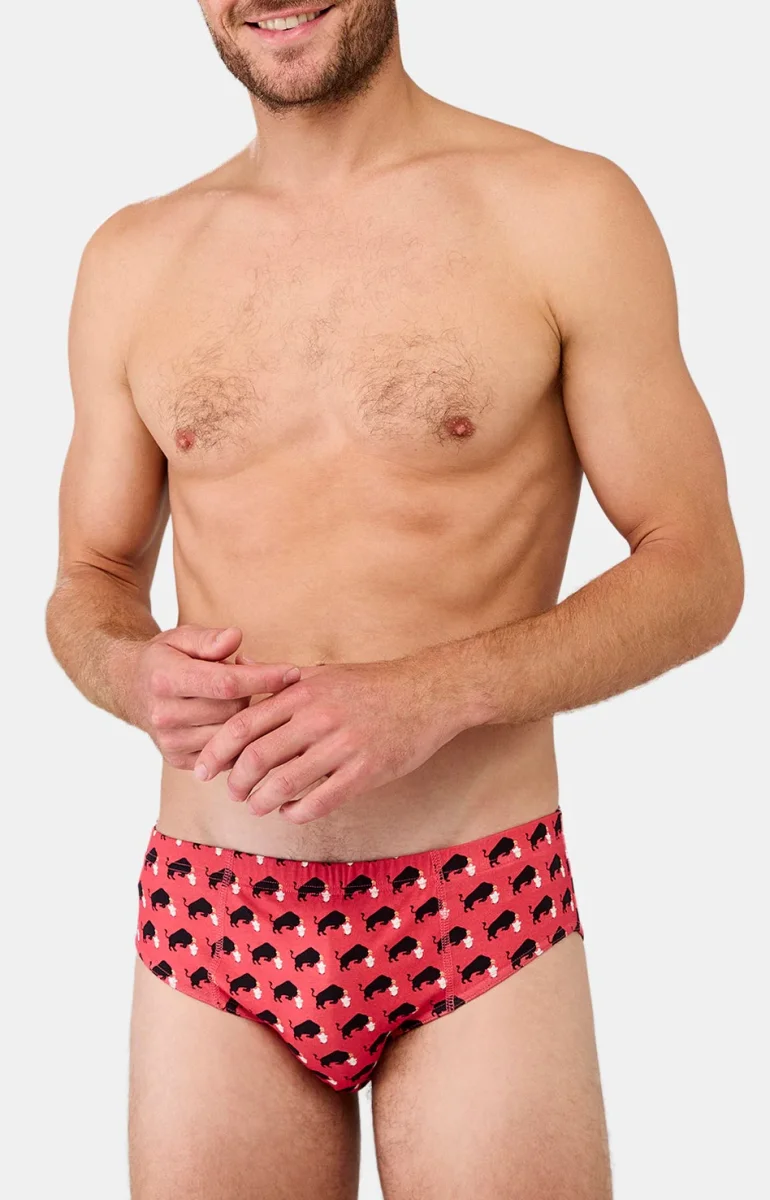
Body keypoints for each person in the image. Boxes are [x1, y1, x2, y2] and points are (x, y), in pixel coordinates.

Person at [46, 2, 744, 1197]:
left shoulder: (562, 210)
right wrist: (128, 670)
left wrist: (433, 693)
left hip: (475, 896)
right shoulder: (132, 257)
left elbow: (695, 566)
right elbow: (90, 579)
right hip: (214, 902)